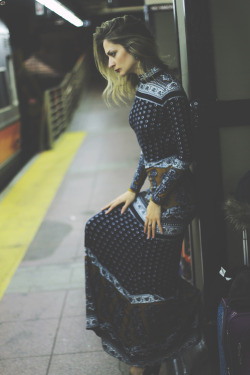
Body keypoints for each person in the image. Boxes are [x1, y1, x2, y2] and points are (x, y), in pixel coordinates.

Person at [85, 15, 201, 375]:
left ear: (134, 47)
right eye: (107, 56)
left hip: (174, 201)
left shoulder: (169, 91)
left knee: (152, 282)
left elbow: (185, 155)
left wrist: (156, 198)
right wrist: (133, 189)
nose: (111, 63)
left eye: (114, 53)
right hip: (156, 194)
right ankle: (148, 341)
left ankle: (150, 354)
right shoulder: (145, 87)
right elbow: (148, 151)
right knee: (98, 226)